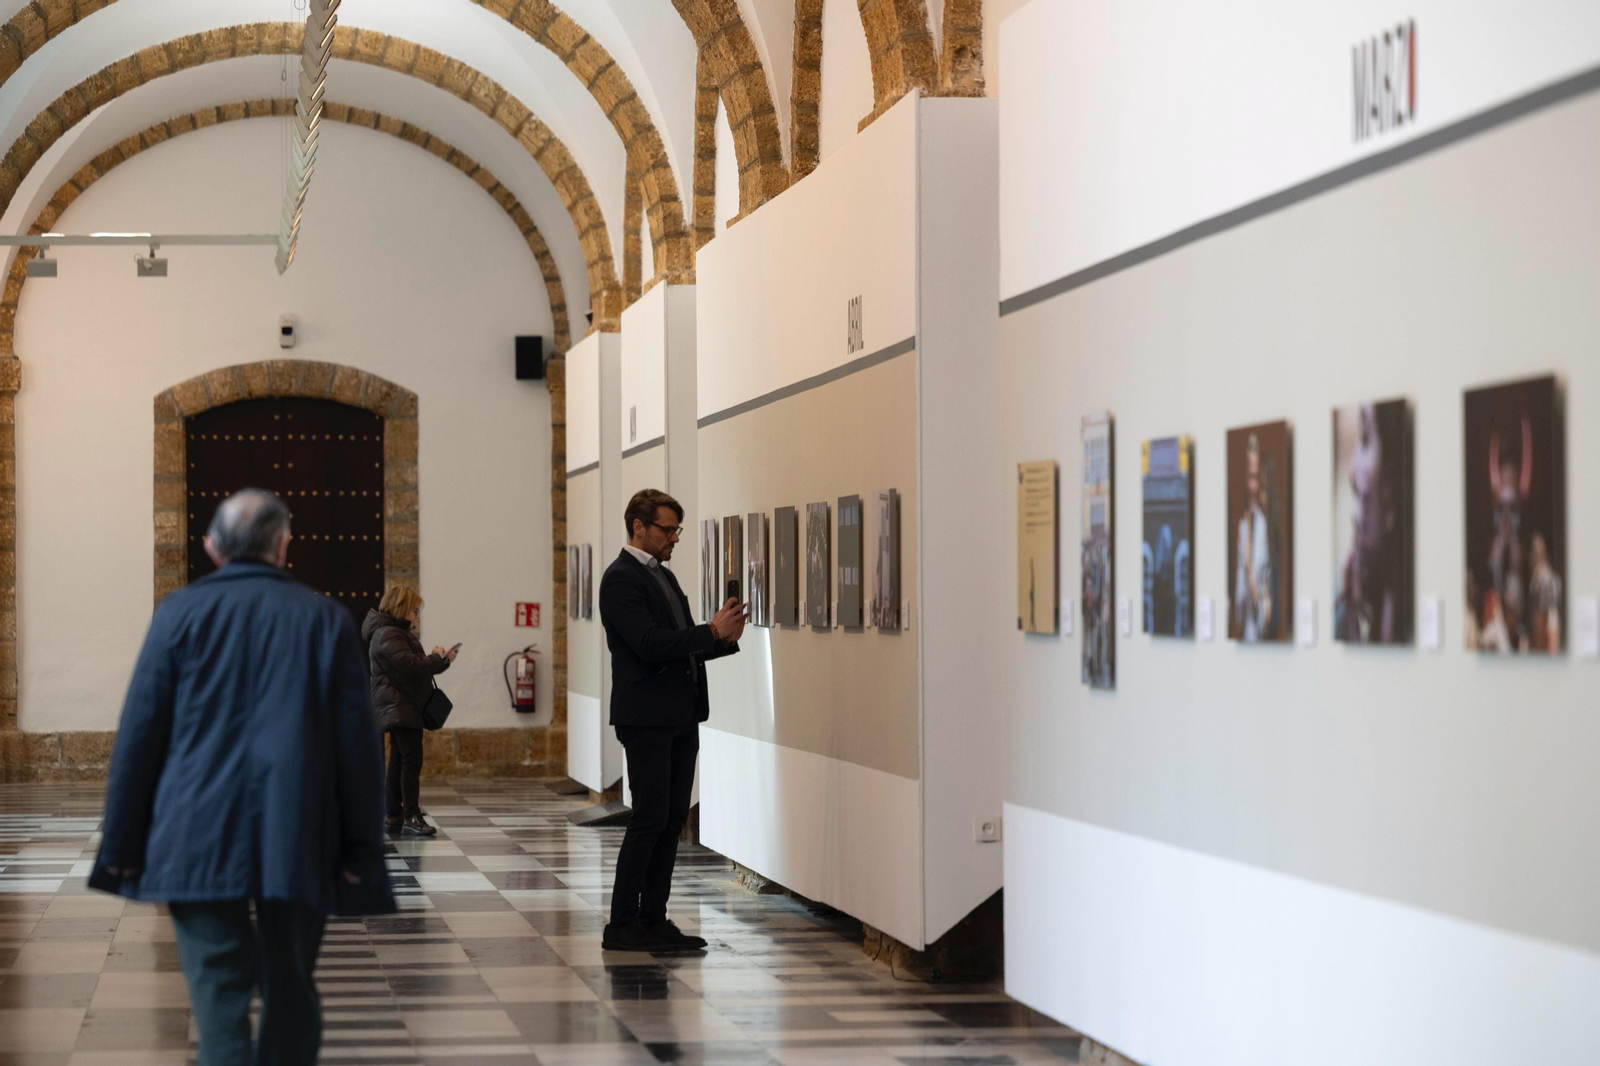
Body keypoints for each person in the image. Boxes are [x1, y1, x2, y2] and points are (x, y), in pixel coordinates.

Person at [89, 488, 393, 1066]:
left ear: (213, 547)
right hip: (297, 829)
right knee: (292, 989)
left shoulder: (178, 614)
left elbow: (138, 738)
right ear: (282, 546)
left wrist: (123, 846)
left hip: (195, 832)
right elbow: (358, 751)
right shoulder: (324, 619)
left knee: (217, 996)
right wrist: (362, 849)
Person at [600, 488, 745, 952]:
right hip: (646, 717)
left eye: (677, 530)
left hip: (680, 715)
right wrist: (709, 631)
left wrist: (721, 640)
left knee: (670, 820)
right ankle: (622, 923)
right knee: (648, 819)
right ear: (638, 527)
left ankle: (654, 918)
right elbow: (648, 645)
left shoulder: (663, 576)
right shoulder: (620, 579)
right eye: (667, 529)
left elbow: (680, 646)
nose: (675, 538)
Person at [362, 585, 458, 837]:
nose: (416, 615)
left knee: (399, 760)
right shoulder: (387, 633)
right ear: (402, 607)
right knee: (411, 761)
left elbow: (414, 669)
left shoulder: (392, 632)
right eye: (415, 610)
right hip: (399, 705)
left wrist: (442, 661)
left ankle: (394, 814)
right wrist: (435, 657)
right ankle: (411, 815)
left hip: (402, 705)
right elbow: (411, 665)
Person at [1233, 433, 1274, 641]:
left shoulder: (1265, 525)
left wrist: (1259, 593)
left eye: (1257, 478)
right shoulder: (1241, 524)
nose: (1254, 487)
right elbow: (1238, 613)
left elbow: (1266, 610)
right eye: (1250, 477)